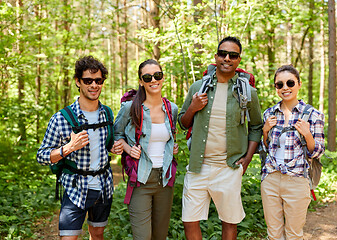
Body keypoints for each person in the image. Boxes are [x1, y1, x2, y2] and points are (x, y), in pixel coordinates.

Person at [178, 36, 263, 239]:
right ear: (215, 57)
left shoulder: (247, 92)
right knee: (189, 220)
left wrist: (248, 157)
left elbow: (257, 126)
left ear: (238, 60)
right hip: (198, 165)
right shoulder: (198, 88)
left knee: (229, 221)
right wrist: (193, 107)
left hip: (229, 167)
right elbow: (182, 122)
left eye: (232, 55)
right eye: (223, 54)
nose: (227, 58)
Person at [37, 55, 123, 239]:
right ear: (78, 81)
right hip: (75, 187)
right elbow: (42, 156)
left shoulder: (107, 113)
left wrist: (113, 148)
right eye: (88, 80)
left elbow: (106, 145)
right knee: (68, 237)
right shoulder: (61, 118)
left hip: (103, 186)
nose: (94, 85)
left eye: (98, 80)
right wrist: (67, 148)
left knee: (97, 234)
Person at [114, 59, 179, 240]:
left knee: (160, 236)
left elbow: (169, 137)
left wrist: (172, 147)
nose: (153, 80)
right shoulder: (130, 108)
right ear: (141, 81)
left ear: (163, 77)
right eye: (147, 77)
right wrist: (127, 148)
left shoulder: (171, 108)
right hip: (140, 180)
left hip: (165, 180)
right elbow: (116, 134)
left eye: (157, 75)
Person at [261, 65, 325, 240]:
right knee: (273, 234)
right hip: (270, 179)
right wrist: (265, 131)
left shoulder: (313, 115)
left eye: (290, 82)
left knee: (294, 235)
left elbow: (318, 152)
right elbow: (265, 148)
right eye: (279, 84)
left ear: (299, 84)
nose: (285, 88)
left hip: (297, 180)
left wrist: (308, 134)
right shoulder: (269, 113)